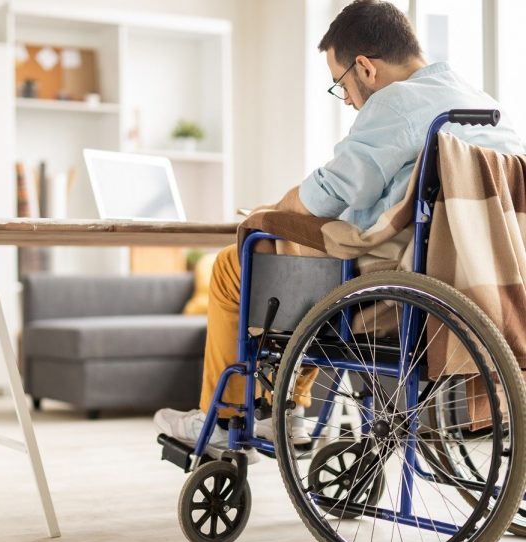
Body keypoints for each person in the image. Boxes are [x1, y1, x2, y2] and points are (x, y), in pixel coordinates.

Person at [153, 0, 525, 457]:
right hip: (476, 290)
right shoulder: (485, 107)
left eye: (341, 84)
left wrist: (269, 213)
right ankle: (282, 408)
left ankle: (226, 415)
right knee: (308, 269)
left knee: (238, 262)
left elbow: (327, 192)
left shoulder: (398, 101)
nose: (346, 99)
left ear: (365, 68)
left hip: (395, 287)